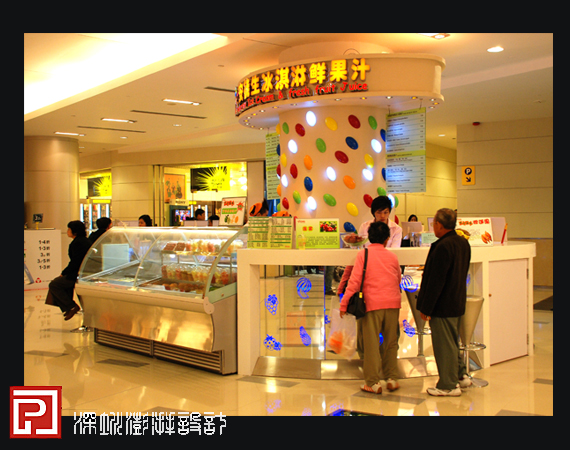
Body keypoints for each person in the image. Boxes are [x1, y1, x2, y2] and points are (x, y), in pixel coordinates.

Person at [339, 221, 402, 394]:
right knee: (391, 342)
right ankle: (392, 378)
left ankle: (373, 382)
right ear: (387, 239)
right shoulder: (393, 257)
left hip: (372, 304)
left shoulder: (363, 255)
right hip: (393, 303)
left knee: (371, 343)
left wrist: (344, 303)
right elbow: (398, 278)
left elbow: (354, 282)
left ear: (369, 237)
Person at [416, 208, 472, 396]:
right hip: (457, 300)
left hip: (442, 304)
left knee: (444, 345)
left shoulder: (442, 246)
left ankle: (448, 385)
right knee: (452, 342)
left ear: (439, 225)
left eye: (434, 224)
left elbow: (436, 281)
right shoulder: (463, 243)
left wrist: (426, 307)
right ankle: (461, 376)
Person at [45, 221, 92, 321]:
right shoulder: (83, 241)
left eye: (69, 229)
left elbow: (76, 261)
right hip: (82, 272)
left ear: (74, 231)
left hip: (78, 273)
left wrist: (64, 273)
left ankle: (70, 306)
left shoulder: (78, 243)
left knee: (55, 284)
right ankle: (69, 307)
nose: (67, 231)